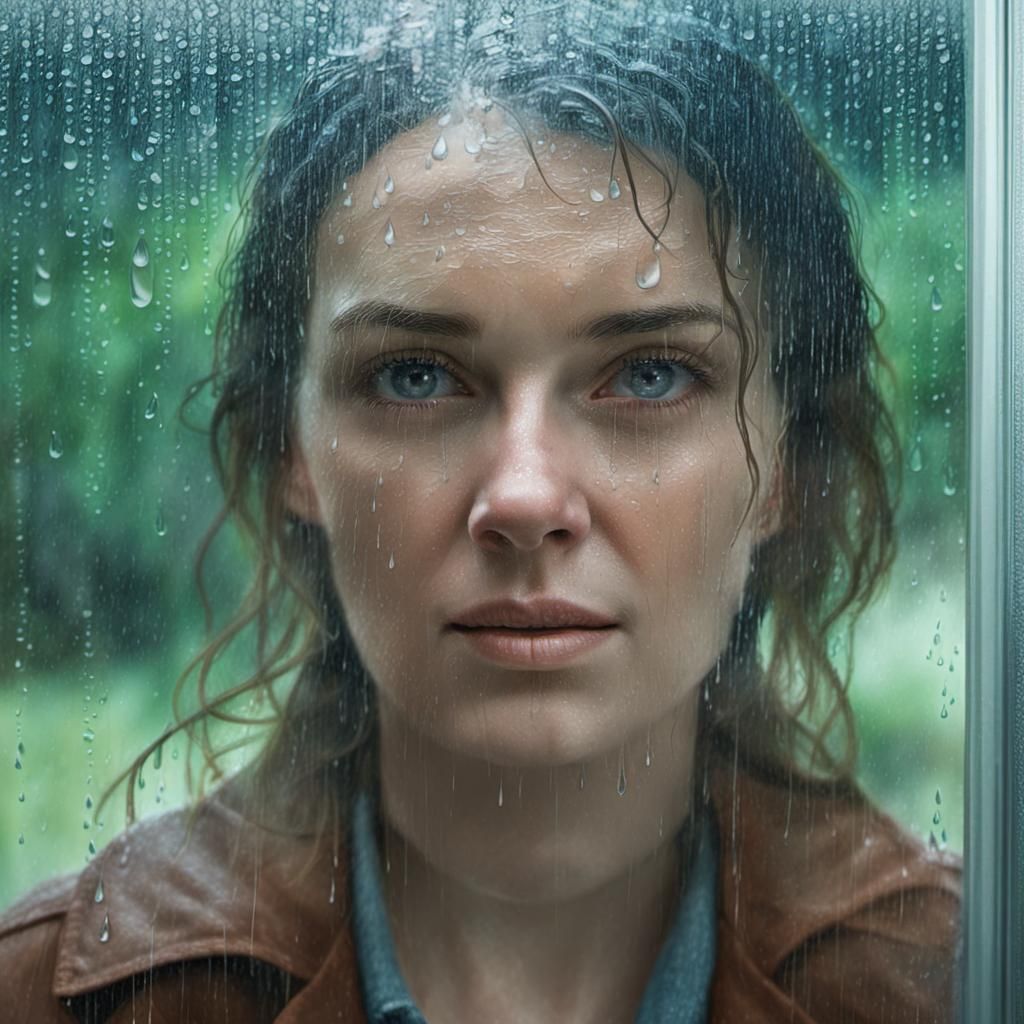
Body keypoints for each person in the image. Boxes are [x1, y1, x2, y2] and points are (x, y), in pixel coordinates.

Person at [0, 20, 960, 1024]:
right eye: (414, 376)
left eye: (648, 374)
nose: (525, 498)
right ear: (293, 446)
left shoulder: (962, 980)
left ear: (786, 467)